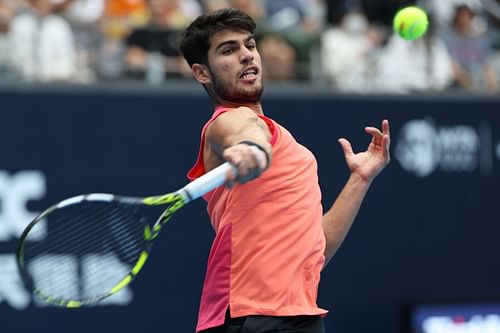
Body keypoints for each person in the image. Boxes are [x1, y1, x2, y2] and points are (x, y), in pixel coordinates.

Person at [179, 8, 391, 333]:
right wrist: (251, 149)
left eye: (249, 45)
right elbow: (245, 133)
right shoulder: (227, 122)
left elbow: (315, 246)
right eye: (228, 50)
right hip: (249, 315)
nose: (246, 56)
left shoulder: (282, 138)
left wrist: (360, 180)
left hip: (295, 313)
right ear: (201, 73)